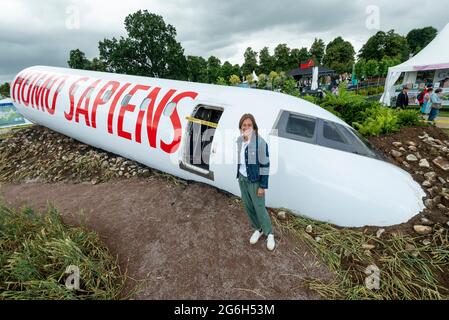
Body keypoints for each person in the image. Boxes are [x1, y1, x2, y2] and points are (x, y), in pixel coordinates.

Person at [236, 114, 275, 251]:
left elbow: (265, 165)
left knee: (259, 207)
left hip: (255, 181)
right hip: (242, 179)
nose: (246, 127)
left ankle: (269, 233)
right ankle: (258, 229)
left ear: (254, 127)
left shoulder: (260, 143)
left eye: (249, 125)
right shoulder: (240, 141)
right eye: (244, 125)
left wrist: (262, 186)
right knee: (248, 206)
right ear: (241, 127)